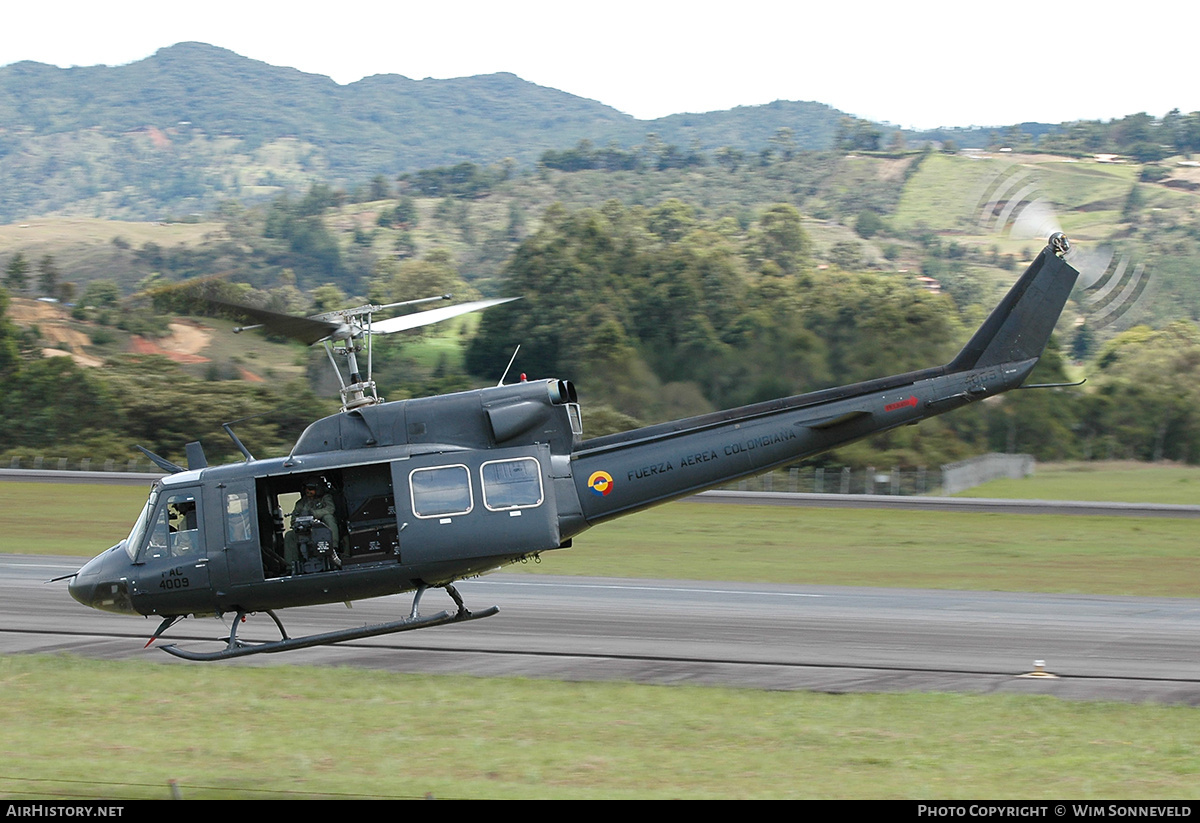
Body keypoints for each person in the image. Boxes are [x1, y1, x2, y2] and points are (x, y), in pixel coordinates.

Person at [283, 480, 341, 571]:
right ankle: (291, 566)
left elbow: (330, 509)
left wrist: (313, 514)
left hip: (322, 531)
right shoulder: (301, 503)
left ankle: (334, 548)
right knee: (289, 535)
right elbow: (293, 520)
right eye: (306, 488)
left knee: (328, 518)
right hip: (305, 531)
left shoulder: (326, 498)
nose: (308, 491)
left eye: (311, 489)